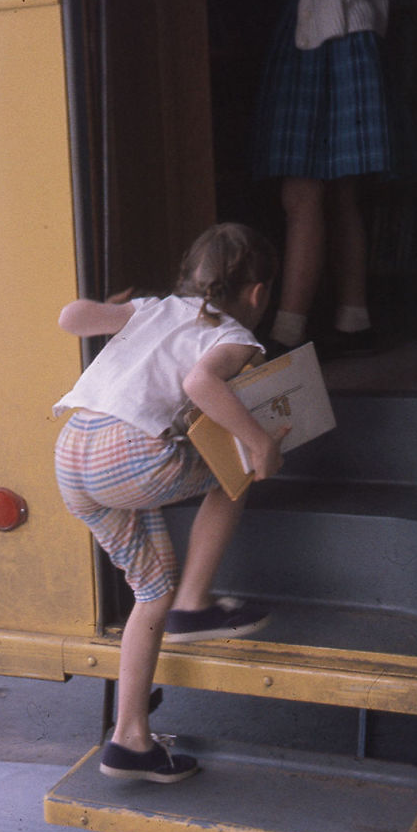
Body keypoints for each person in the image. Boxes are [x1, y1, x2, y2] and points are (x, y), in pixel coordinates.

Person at [53, 223, 289, 783]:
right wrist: (257, 442)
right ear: (258, 293)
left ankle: (130, 741)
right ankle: (195, 602)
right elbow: (200, 384)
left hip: (71, 455)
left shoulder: (152, 309)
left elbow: (71, 319)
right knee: (233, 468)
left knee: (147, 592)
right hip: (128, 458)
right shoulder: (234, 335)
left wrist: (112, 311)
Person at [247, 0, 392, 356]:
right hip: (331, 40)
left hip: (329, 43)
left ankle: (289, 331)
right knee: (335, 195)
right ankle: (353, 318)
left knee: (304, 194)